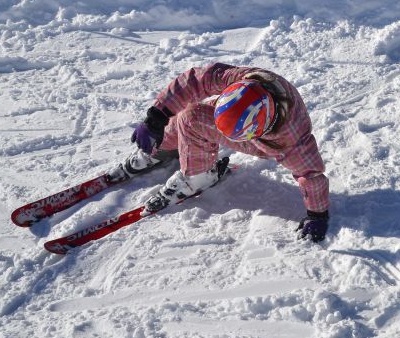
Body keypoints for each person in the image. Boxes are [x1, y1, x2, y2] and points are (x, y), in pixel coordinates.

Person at [116, 62, 330, 241]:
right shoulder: (245, 79)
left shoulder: (291, 140)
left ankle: (198, 176)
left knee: (192, 121)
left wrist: (317, 214)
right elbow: (197, 80)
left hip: (260, 140)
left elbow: (311, 174)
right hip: (235, 115)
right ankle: (165, 147)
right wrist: (157, 117)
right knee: (188, 117)